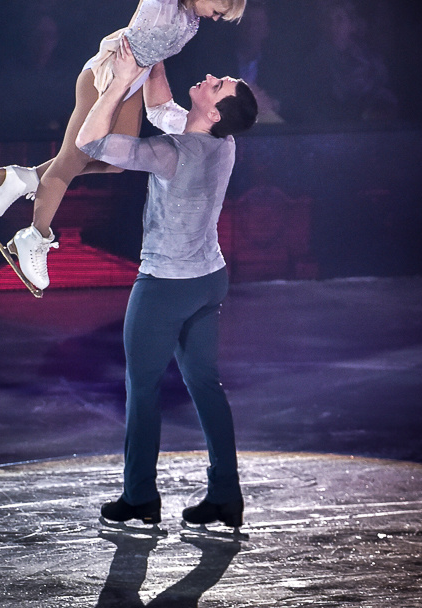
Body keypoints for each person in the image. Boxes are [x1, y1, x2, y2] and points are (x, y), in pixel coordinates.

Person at [0, 0, 328, 295]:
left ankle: (18, 178)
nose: (216, 20)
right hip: (104, 79)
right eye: (217, 12)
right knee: (71, 161)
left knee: (113, 163)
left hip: (130, 86)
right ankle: (33, 237)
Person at [75, 36, 258, 527]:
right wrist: (153, 42)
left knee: (143, 387)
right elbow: (161, 106)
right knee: (205, 383)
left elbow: (90, 143)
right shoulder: (224, 143)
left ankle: (139, 498)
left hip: (165, 286)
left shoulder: (171, 153)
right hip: (208, 281)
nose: (211, 78)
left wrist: (113, 89)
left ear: (215, 112)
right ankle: (226, 495)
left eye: (218, 85)